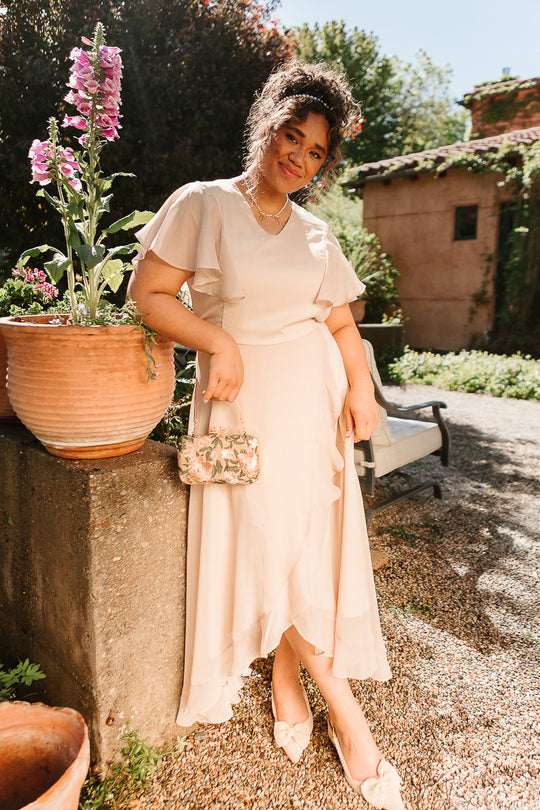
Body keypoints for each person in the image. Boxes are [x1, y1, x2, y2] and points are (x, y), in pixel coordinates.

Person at [128, 61, 404, 810]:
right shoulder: (204, 204)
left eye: (316, 152)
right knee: (268, 543)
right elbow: (147, 293)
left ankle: (287, 674)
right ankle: (348, 718)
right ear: (267, 127)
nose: (299, 158)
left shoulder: (316, 233)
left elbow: (341, 321)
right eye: (292, 137)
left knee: (301, 548)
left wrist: (358, 387)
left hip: (312, 409)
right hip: (242, 406)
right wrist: (220, 343)